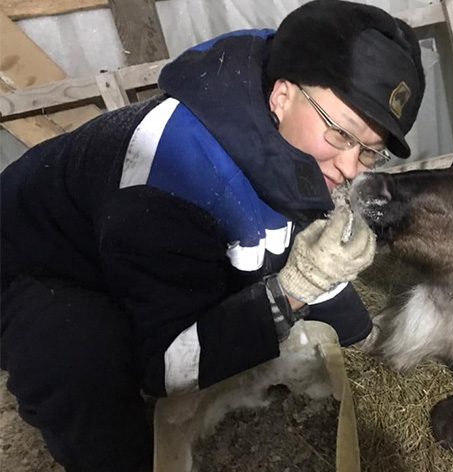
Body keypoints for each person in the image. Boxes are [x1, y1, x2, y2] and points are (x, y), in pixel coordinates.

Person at [0, 0, 425, 470]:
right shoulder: (172, 179)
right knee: (81, 357)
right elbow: (166, 370)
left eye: (371, 153)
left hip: (122, 249)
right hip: (30, 270)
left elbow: (291, 232)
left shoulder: (290, 135)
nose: (349, 169)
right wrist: (291, 295)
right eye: (342, 136)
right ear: (284, 94)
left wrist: (360, 335)